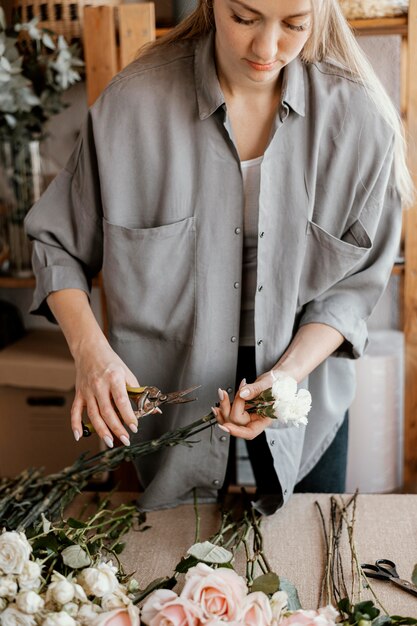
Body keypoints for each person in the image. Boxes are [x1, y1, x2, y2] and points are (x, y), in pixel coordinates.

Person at [25, 0, 413, 514]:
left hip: (301, 396)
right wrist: (90, 354)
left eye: (294, 25)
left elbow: (353, 289)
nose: (267, 48)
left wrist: (289, 377)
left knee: (310, 568)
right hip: (168, 407)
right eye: (245, 18)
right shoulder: (131, 106)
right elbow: (56, 244)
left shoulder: (361, 120)